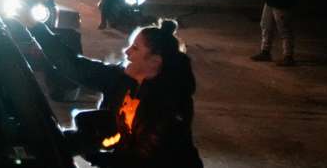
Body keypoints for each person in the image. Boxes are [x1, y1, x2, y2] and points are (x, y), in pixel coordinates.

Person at [17, 13, 203, 168]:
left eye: (135, 48)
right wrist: (36, 27)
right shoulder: (122, 78)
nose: (127, 51)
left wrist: (92, 155)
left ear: (154, 61)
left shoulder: (169, 104)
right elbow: (74, 67)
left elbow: (143, 161)